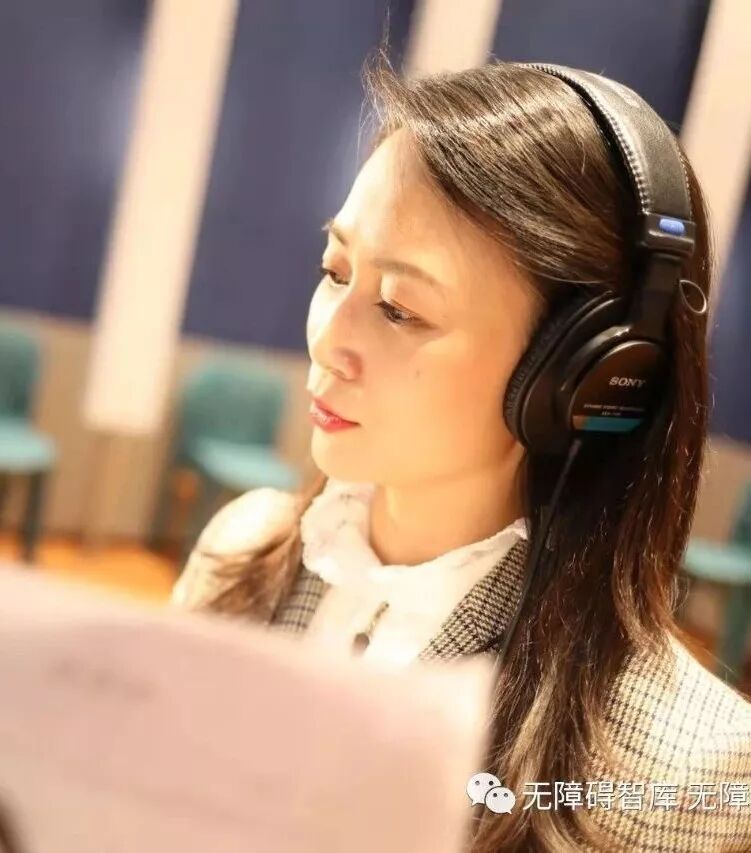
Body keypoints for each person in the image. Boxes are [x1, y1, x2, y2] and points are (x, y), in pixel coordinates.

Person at [169, 54, 751, 851]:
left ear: (580, 375)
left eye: (398, 308)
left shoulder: (687, 776)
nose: (327, 338)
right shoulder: (239, 557)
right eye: (333, 269)